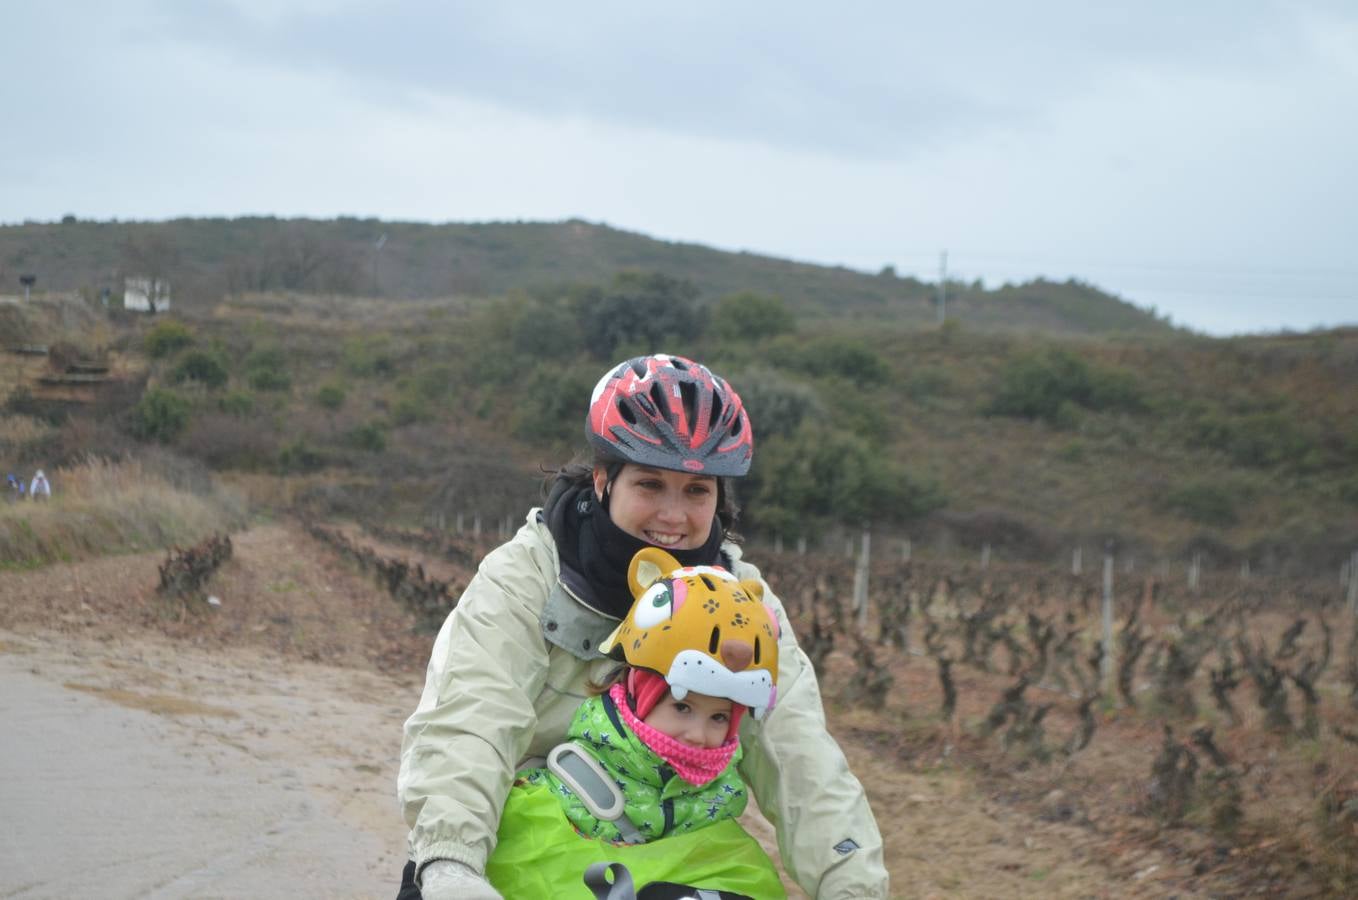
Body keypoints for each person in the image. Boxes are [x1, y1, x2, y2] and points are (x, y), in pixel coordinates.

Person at [397, 353, 889, 899]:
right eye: (650, 485)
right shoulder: (530, 572)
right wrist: (452, 861)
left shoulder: (744, 597)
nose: (673, 517)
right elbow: (471, 720)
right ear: (605, 478)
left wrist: (852, 883)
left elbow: (799, 757)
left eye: (697, 491)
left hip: (675, 850)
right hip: (525, 833)